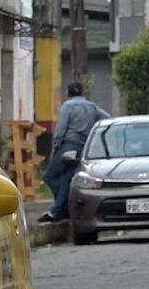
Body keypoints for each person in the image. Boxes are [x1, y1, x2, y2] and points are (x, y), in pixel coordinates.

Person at [39, 81, 110, 223]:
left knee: (49, 176)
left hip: (68, 145)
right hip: (84, 148)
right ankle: (59, 210)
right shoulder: (91, 106)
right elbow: (107, 118)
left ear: (68, 93)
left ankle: (64, 206)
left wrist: (55, 147)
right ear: (82, 92)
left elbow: (60, 129)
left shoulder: (67, 106)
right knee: (66, 178)